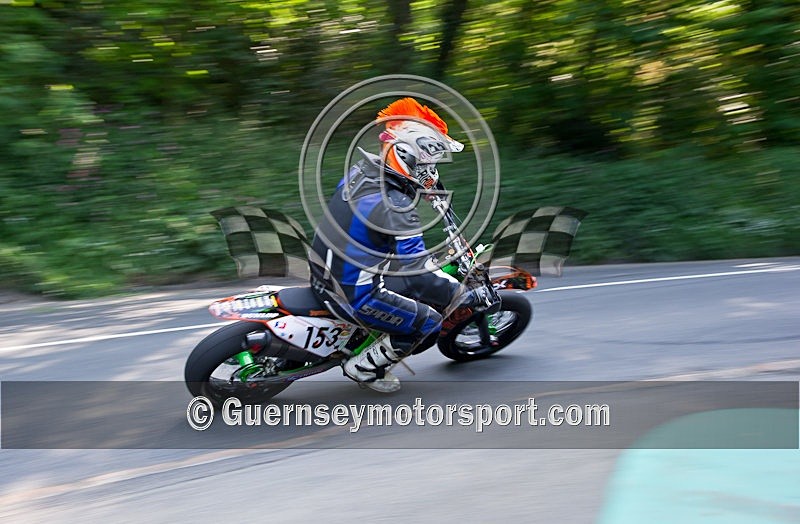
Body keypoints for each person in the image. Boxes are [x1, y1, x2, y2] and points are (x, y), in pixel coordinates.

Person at [309, 97, 472, 393]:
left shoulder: (361, 171)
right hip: (352, 294)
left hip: (323, 264)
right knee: (429, 323)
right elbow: (418, 275)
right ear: (409, 156)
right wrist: (458, 293)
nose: (431, 169)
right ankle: (363, 368)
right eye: (428, 161)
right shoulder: (397, 207)